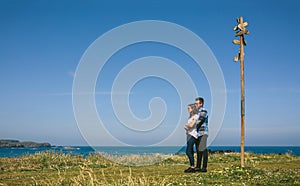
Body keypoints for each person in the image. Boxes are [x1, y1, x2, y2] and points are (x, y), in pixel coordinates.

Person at [184, 103, 199, 173]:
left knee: (188, 151)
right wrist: (187, 126)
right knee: (191, 151)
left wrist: (187, 126)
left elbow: (191, 125)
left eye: (189, 108)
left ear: (193, 109)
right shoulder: (190, 117)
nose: (188, 110)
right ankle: (191, 166)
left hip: (193, 135)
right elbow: (188, 126)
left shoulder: (196, 116)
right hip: (188, 134)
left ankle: (192, 167)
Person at [195, 97, 209, 172]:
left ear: (201, 103)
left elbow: (199, 121)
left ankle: (204, 167)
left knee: (203, 149)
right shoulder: (196, 113)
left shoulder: (204, 111)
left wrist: (191, 125)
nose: (196, 105)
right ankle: (198, 166)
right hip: (197, 133)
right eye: (195, 103)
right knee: (198, 150)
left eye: (197, 103)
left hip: (203, 133)